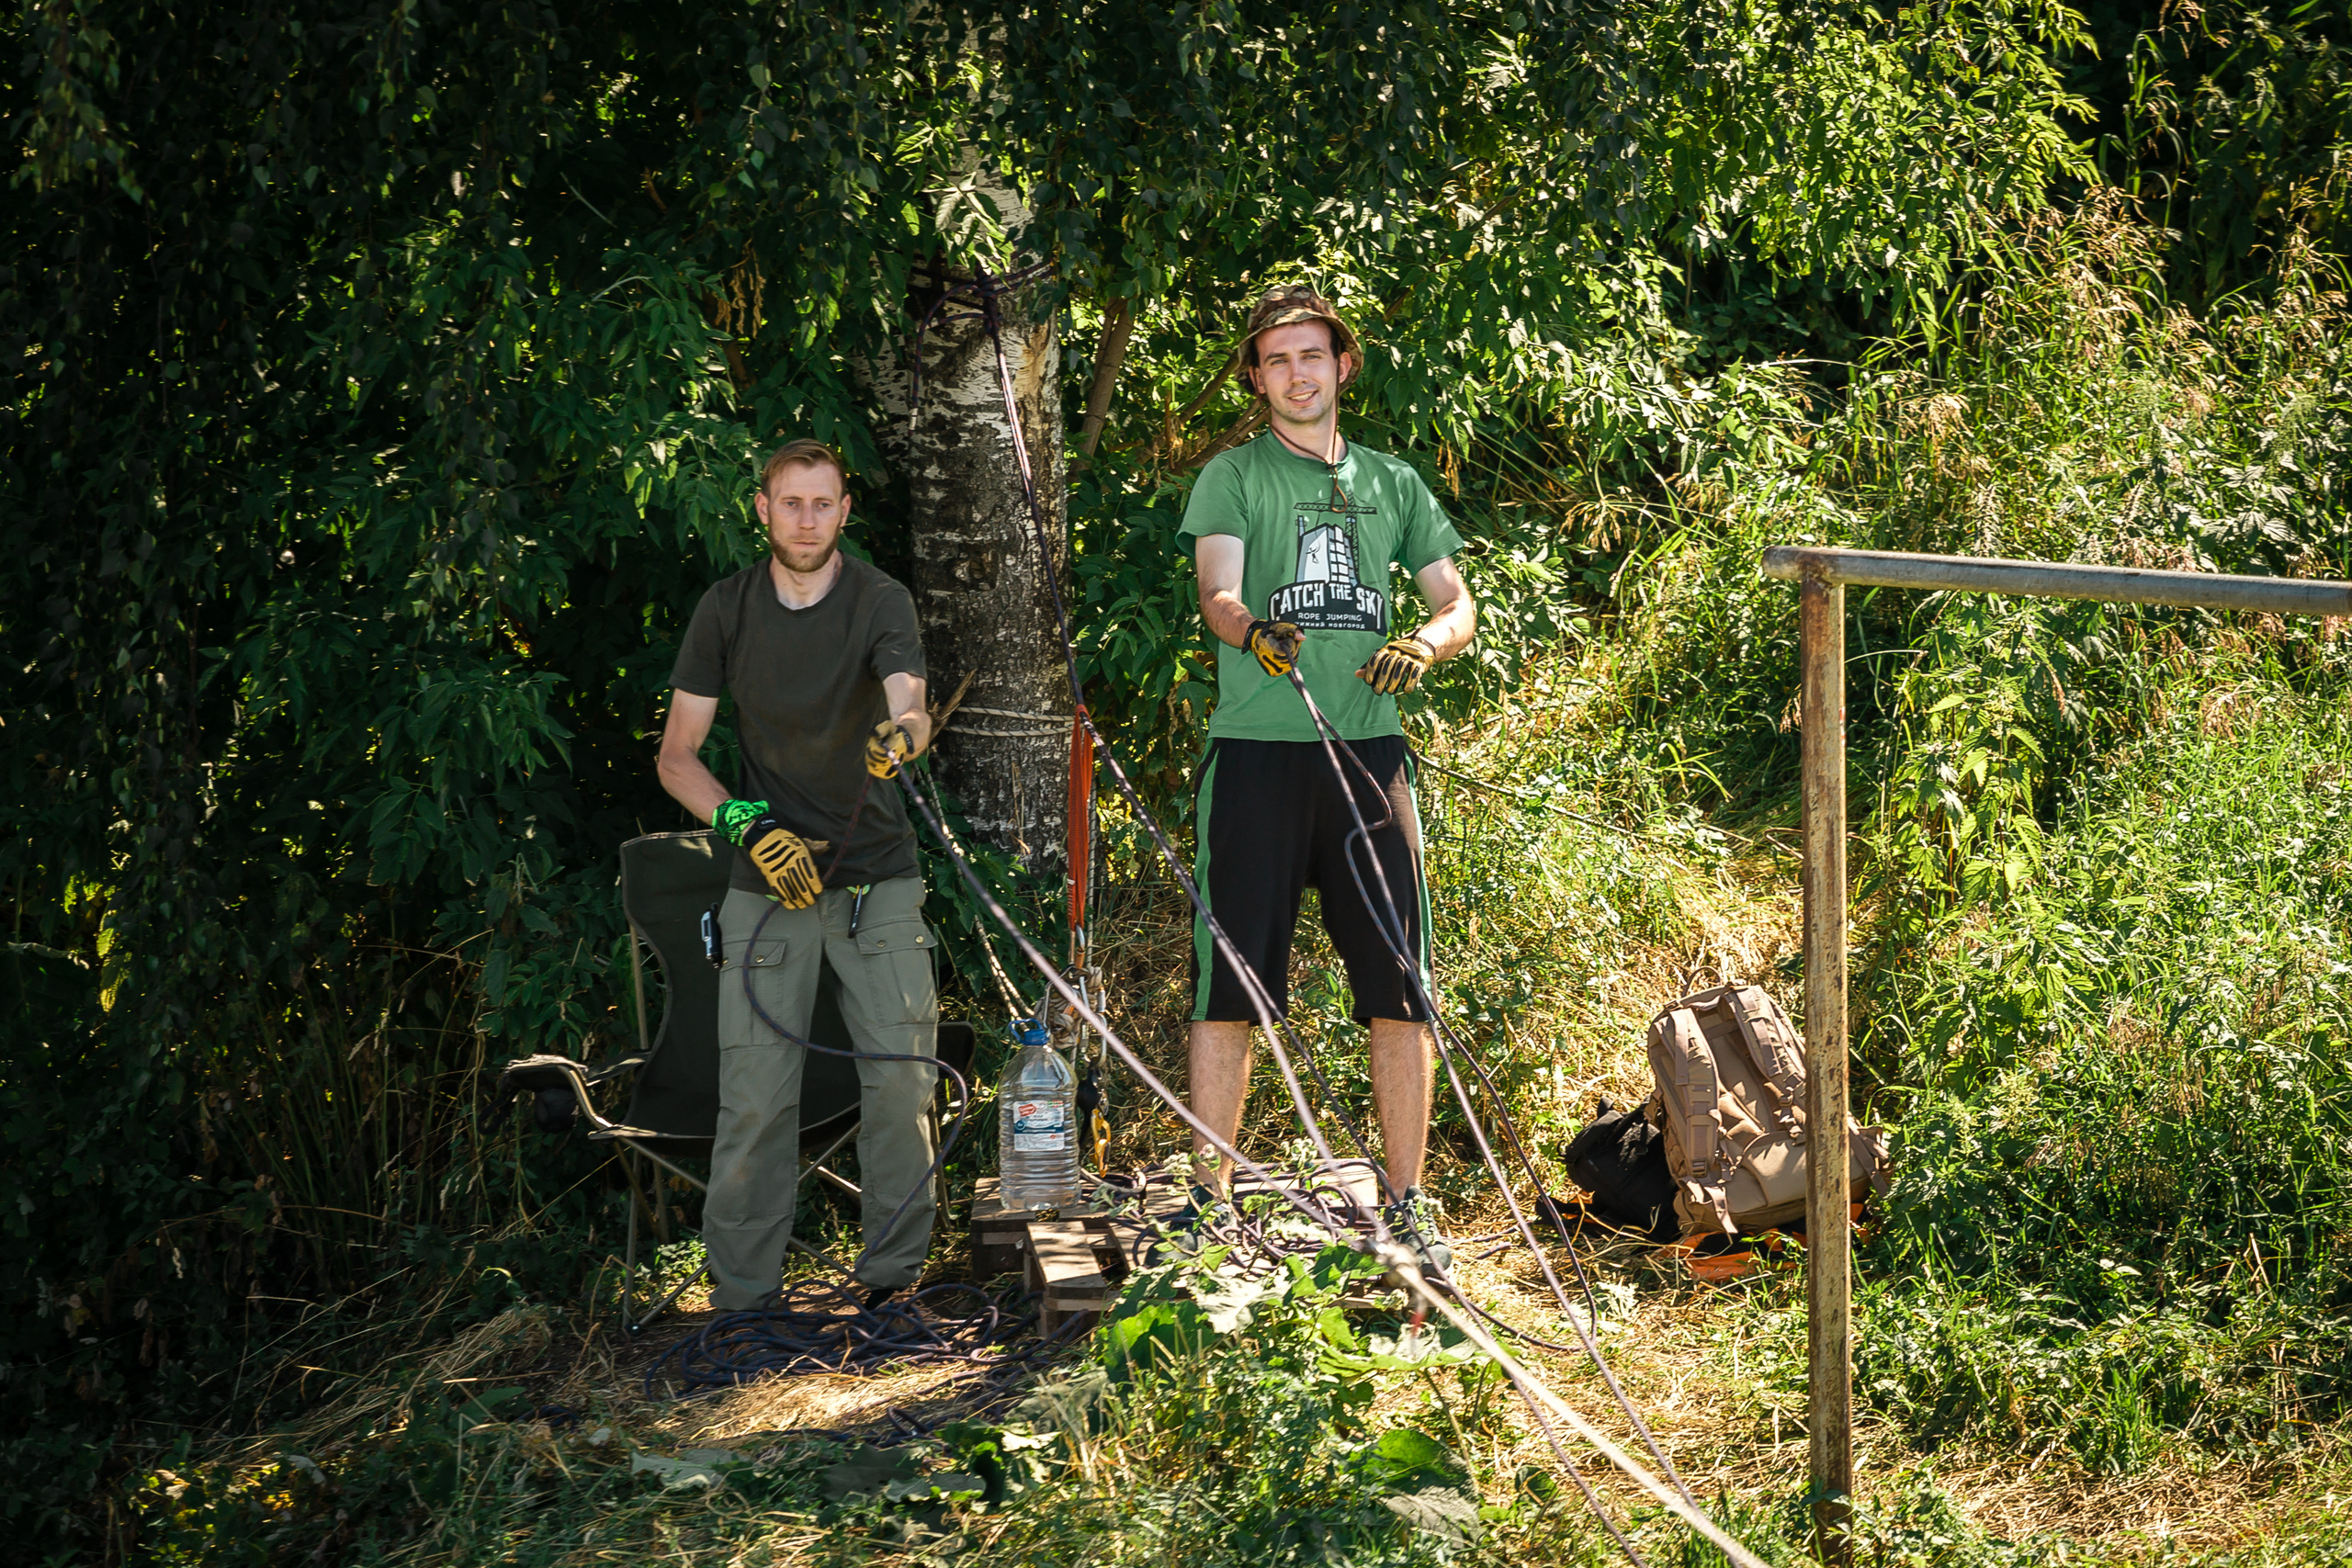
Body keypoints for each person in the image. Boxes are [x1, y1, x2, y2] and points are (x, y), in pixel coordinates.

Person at [1177, 285, 1477, 1267]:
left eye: (1311, 355)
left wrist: (1425, 643)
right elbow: (1217, 590)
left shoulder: (1394, 481)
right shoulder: (1233, 474)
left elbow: (1456, 603)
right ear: (1256, 376)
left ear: (1342, 366)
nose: (1296, 373)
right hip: (1256, 758)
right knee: (1230, 985)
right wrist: (1252, 629)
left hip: (1370, 761)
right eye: (1276, 359)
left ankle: (1408, 1204)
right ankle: (1207, 1205)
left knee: (1401, 987)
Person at [657, 438, 941, 1311]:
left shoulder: (879, 598)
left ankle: (891, 1284)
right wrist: (748, 825)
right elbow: (677, 757)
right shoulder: (727, 607)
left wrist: (902, 734)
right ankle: (744, 1303)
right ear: (763, 509)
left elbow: (910, 700)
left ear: (845, 510)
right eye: (792, 503)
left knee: (902, 1079)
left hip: (875, 874)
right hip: (765, 878)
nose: (808, 520)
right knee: (754, 1095)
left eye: (824, 503)